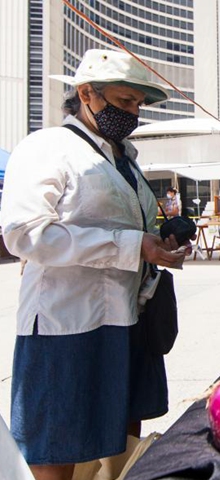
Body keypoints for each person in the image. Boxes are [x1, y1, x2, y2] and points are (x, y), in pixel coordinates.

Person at [0, 49, 191, 480]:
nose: (134, 112)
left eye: (139, 105)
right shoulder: (47, 147)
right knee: (58, 440)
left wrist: (160, 243)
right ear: (87, 93)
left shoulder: (127, 160)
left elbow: (130, 227)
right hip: (66, 321)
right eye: (125, 102)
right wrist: (130, 245)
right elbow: (24, 234)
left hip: (126, 316)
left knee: (120, 430)